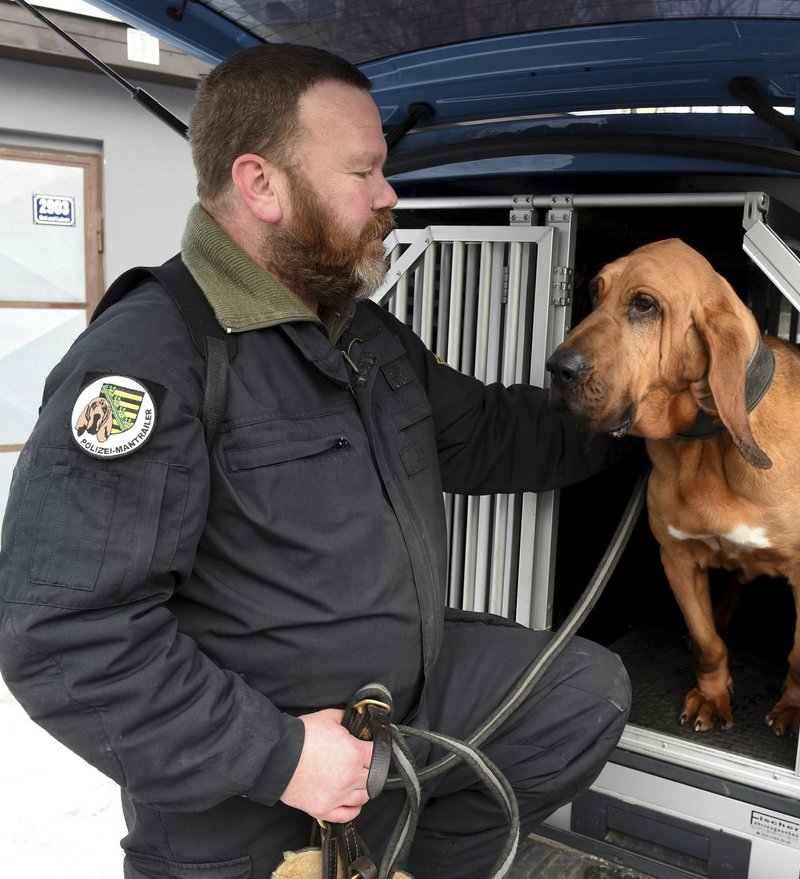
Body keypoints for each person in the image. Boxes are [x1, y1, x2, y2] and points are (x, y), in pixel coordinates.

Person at [0, 43, 630, 879]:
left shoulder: (360, 335)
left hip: (391, 719)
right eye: (364, 171)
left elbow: (488, 432)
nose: (387, 195)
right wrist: (283, 754)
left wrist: (653, 411)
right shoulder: (155, 356)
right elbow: (64, 634)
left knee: (577, 697)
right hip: (244, 789)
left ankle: (399, 858)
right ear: (262, 185)